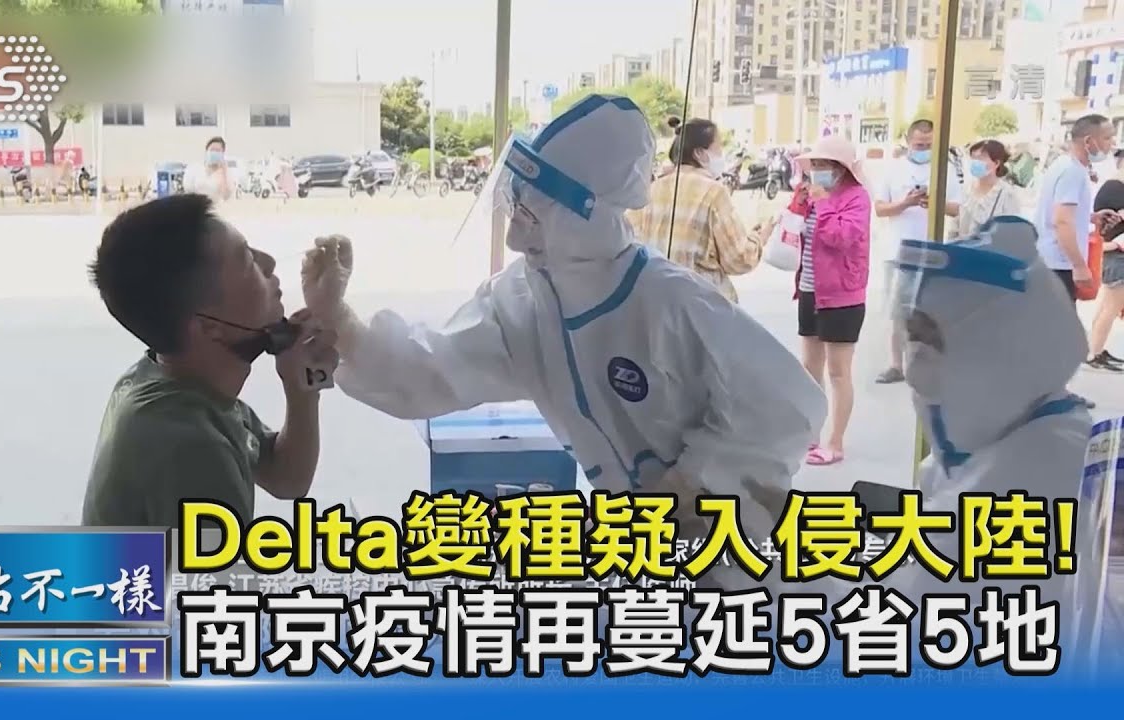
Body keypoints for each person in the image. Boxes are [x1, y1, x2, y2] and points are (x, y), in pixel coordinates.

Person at [301, 95, 827, 591]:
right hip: (651, 554)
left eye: (532, 215)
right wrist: (341, 322)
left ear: (589, 214)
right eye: (515, 210)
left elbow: (790, 407)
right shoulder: (525, 303)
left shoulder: (668, 300)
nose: (515, 237)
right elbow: (432, 370)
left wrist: (692, 480)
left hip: (745, 561)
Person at [82, 194, 338, 528]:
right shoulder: (190, 449)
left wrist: (301, 387)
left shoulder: (169, 381)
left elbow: (286, 477)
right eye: (247, 261)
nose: (269, 262)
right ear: (208, 326)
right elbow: (223, 568)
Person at [887, 218, 1091, 609]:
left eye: (933, 342)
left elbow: (892, 607)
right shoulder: (1027, 426)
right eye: (912, 339)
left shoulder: (1032, 471)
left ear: (1008, 344)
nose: (914, 370)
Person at [626, 116, 769, 303]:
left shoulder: (651, 189)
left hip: (655, 301)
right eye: (719, 148)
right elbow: (737, 259)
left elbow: (631, 244)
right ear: (700, 153)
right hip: (701, 305)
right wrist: (758, 239)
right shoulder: (714, 192)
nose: (722, 155)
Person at [793, 136, 872, 467]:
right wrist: (800, 204)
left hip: (842, 294)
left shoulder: (857, 198)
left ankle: (835, 442)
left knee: (838, 371)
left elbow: (840, 238)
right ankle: (810, 432)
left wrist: (823, 203)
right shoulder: (812, 193)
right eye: (814, 164)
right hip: (810, 288)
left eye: (824, 165)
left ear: (841, 168)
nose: (817, 170)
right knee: (810, 367)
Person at [1034, 114, 1121, 406]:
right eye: (1107, 138)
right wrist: (1079, 265)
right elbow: (1062, 221)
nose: (1110, 144)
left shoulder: (1065, 167)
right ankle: (1050, 395)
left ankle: (1051, 392)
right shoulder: (1071, 172)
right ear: (1089, 141)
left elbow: (1065, 216)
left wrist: (1092, 218)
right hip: (1057, 264)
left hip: (1052, 261)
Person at [874, 119, 962, 385]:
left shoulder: (944, 170)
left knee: (928, 311)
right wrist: (905, 203)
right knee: (897, 312)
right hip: (899, 251)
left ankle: (926, 364)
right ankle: (896, 364)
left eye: (929, 145)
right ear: (908, 142)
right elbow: (880, 209)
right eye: (919, 145)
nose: (924, 149)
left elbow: (957, 208)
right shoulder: (893, 169)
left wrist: (934, 202)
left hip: (931, 250)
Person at [952, 139, 1024, 239]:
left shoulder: (1007, 194)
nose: (975, 162)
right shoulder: (966, 189)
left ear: (996, 163)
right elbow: (956, 224)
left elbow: (1013, 232)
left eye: (980, 158)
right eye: (973, 158)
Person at [1087, 178, 1124, 372]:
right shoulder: (1116, 188)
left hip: (1114, 257)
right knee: (1110, 309)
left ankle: (1095, 350)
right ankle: (1095, 353)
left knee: (1105, 307)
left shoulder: (1111, 188)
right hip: (1118, 258)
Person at [183, 136, 235, 202]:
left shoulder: (227, 172)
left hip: (216, 205)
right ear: (206, 151)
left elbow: (226, 196)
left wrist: (224, 173)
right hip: (197, 204)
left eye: (217, 151)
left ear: (222, 153)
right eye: (212, 150)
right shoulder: (195, 168)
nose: (214, 153)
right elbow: (188, 190)